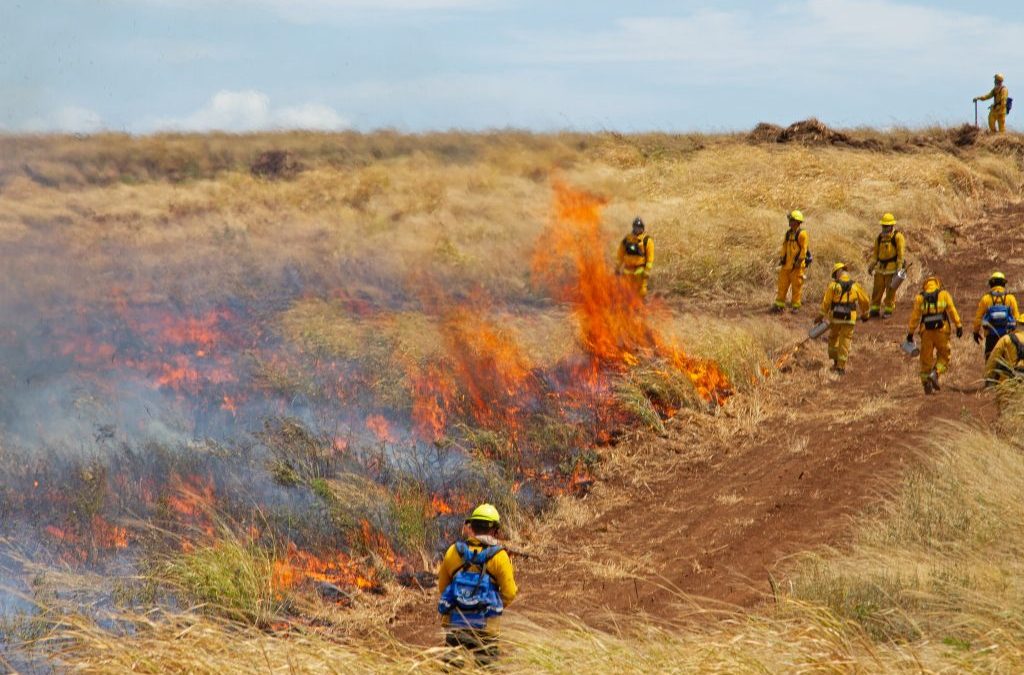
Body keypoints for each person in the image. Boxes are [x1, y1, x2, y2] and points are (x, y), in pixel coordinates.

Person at [437, 503, 518, 668]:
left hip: (455, 624)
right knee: (486, 669)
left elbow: (443, 588)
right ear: (495, 530)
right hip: (486, 627)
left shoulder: (453, 551)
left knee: (452, 669)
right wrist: (490, 606)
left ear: (471, 527)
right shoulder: (500, 556)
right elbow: (509, 593)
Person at [906, 275, 963, 394]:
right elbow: (952, 310)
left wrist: (910, 333)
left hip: (926, 332)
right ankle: (935, 373)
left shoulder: (919, 298)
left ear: (925, 285)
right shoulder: (944, 294)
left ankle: (926, 384)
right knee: (944, 356)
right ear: (937, 284)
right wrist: (958, 325)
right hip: (942, 331)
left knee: (925, 359)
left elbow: (915, 317)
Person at [816, 262, 870, 374]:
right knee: (845, 341)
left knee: (833, 338)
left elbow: (826, 303)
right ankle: (841, 368)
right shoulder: (855, 286)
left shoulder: (833, 286)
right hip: (849, 319)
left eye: (835, 274)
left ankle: (835, 361)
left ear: (837, 272)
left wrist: (820, 316)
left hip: (835, 318)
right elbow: (865, 301)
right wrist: (865, 314)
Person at [971, 271, 1019, 361]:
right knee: (1007, 363)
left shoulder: (986, 299)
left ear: (991, 284)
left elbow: (978, 318)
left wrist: (976, 332)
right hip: (1007, 337)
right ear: (1003, 284)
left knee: (990, 363)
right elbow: (1017, 318)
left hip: (991, 338)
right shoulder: (1011, 298)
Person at [866, 212, 906, 319]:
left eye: (887, 226)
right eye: (883, 226)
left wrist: (899, 268)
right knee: (877, 290)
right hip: (880, 269)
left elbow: (900, 254)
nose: (884, 228)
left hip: (891, 269)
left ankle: (888, 309)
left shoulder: (898, 237)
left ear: (892, 226)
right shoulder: (879, 238)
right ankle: (874, 309)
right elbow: (875, 255)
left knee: (890, 290)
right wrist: (871, 266)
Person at [773, 210, 810, 313]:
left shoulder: (802, 234)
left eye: (791, 220)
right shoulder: (788, 233)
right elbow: (784, 246)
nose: (789, 221)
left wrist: (799, 261)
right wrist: (782, 258)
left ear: (797, 222)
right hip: (786, 266)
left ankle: (796, 306)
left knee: (796, 287)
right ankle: (779, 304)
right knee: (782, 285)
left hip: (797, 267)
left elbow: (804, 249)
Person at [616, 216, 654, 298]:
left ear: (642, 228)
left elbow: (650, 258)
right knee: (625, 290)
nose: (637, 229)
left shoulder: (647, 240)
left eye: (639, 228)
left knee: (641, 291)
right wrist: (617, 268)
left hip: (640, 269)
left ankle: (639, 304)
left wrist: (646, 271)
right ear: (633, 227)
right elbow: (620, 255)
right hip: (627, 269)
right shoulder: (627, 239)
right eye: (636, 227)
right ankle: (629, 305)